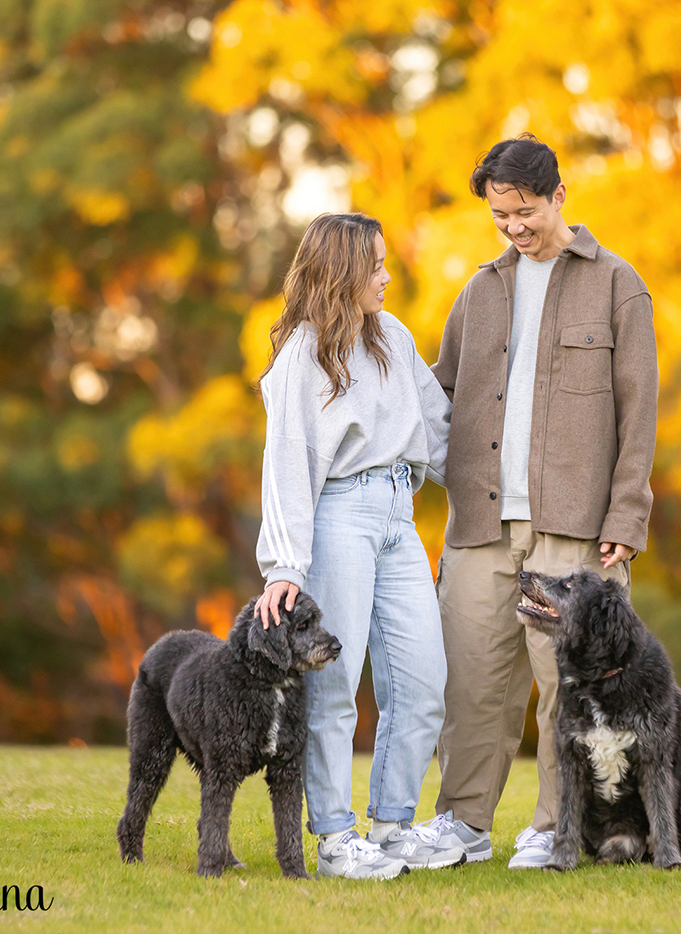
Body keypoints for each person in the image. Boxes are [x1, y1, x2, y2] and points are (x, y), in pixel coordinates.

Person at [417, 135, 659, 868]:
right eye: (500, 217)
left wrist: (627, 515)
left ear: (559, 195)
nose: (515, 228)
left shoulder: (619, 285)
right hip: (481, 527)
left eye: (524, 212)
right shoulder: (480, 291)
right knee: (474, 683)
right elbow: (441, 395)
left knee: (568, 689)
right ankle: (462, 823)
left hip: (576, 529)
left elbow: (639, 408)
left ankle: (556, 827)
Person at [254, 212, 464, 879]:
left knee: (424, 677)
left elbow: (443, 430)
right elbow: (287, 461)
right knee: (335, 685)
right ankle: (337, 840)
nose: (387, 274)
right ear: (343, 270)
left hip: (400, 515)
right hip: (337, 515)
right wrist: (285, 564)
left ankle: (395, 827)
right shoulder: (302, 355)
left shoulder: (394, 337)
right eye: (375, 264)